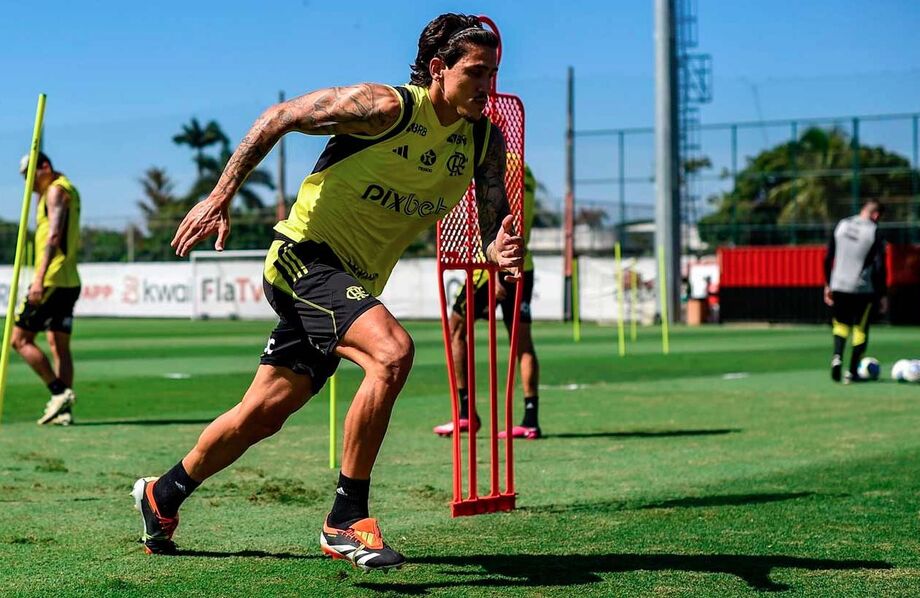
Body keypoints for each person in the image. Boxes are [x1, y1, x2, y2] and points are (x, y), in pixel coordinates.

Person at [132, 13, 523, 571]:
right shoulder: (387, 108)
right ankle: (345, 518)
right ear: (438, 69)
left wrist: (498, 251)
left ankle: (162, 494)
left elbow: (491, 232)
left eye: (494, 73)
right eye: (477, 72)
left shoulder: (483, 139)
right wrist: (220, 196)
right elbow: (280, 116)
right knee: (391, 352)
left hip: (350, 284)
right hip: (304, 260)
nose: (489, 86)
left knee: (261, 414)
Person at [433, 164, 542, 439]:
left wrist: (494, 273)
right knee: (522, 340)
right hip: (522, 263)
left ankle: (467, 414)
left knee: (456, 328)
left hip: (492, 263)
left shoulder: (492, 162)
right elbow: (517, 215)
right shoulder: (527, 171)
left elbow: (498, 215)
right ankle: (530, 419)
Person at [11, 152, 81, 426]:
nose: (27, 182)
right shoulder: (68, 188)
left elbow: (54, 236)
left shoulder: (54, 192)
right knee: (58, 344)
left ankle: (59, 392)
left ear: (45, 167)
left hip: (52, 278)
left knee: (20, 339)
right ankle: (62, 411)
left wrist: (38, 280)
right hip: (69, 279)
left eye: (29, 174)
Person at [824, 199, 887, 383]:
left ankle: (837, 357)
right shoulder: (874, 231)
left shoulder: (842, 225)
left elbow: (828, 258)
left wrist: (828, 284)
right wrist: (882, 294)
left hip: (839, 285)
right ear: (876, 215)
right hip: (862, 288)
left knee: (841, 325)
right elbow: (880, 266)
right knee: (860, 328)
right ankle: (852, 371)